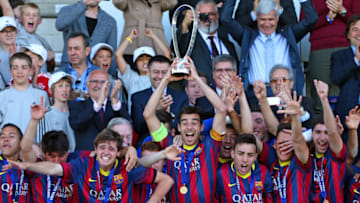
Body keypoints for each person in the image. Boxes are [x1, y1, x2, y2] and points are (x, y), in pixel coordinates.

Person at [7, 128, 174, 203]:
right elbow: (53, 168)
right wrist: (26, 166)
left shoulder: (126, 167)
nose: (106, 152)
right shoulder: (83, 165)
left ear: (118, 152)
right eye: (102, 147)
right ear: (94, 150)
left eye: (111, 148)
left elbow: (166, 180)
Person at [142, 56, 227, 202]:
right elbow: (148, 114)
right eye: (185, 123)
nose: (189, 127)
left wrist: (196, 78)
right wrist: (166, 79)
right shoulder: (169, 145)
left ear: (201, 127)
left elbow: (221, 109)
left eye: (194, 123)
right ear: (179, 127)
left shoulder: (210, 145)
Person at [221, 0, 318, 102]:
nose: (267, 24)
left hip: (285, 93)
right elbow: (226, 19)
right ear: (256, 18)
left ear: (277, 18)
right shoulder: (247, 36)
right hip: (254, 94)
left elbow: (312, 19)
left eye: (270, 19)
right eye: (263, 19)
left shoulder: (289, 34)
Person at [255, 91, 312, 202]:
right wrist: (261, 100)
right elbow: (248, 135)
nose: (284, 148)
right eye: (281, 144)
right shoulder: (272, 159)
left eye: (288, 144)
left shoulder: (301, 162)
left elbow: (299, 140)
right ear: (275, 144)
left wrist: (295, 117)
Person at [306, 0, 360, 114]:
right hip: (320, 48)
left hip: (347, 47)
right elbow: (305, 23)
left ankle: (347, 129)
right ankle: (321, 130)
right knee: (320, 98)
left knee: (348, 96)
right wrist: (327, 17)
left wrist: (342, 11)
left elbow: (358, 21)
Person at [131, 55, 188, 146]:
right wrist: (157, 110)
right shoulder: (138, 97)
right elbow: (139, 128)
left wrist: (169, 117)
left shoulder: (181, 97)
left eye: (164, 72)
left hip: (174, 144)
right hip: (148, 145)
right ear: (149, 72)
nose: (160, 76)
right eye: (156, 72)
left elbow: (185, 125)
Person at [176, 0, 237, 84]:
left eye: (211, 14)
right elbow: (178, 48)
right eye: (202, 15)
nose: (207, 18)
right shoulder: (190, 42)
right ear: (196, 16)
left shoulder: (229, 45)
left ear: (218, 16)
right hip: (201, 94)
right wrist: (184, 25)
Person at [69, 69, 130, 150]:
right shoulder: (76, 106)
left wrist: (114, 100)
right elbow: (77, 124)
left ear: (109, 85)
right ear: (87, 85)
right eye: (95, 81)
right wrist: (98, 104)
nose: (99, 85)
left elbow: (128, 124)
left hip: (112, 156)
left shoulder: (116, 107)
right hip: (86, 157)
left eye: (103, 82)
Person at [115, 28, 171, 112]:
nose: (145, 62)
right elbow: (118, 54)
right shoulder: (130, 77)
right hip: (135, 120)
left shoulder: (159, 76)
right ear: (135, 63)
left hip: (157, 117)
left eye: (148, 59)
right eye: (140, 59)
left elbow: (167, 54)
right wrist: (130, 37)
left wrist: (154, 36)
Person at [56, 0, 117, 75]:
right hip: (69, 69)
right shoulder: (68, 10)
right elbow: (59, 25)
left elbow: (112, 53)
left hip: (96, 74)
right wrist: (84, 4)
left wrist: (112, 78)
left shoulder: (109, 21)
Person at [309, 80, 347, 202]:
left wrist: (324, 100)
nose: (322, 138)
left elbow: (332, 132)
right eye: (318, 132)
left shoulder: (335, 156)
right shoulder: (306, 158)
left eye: (326, 133)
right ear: (311, 134)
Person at [0, 52, 49, 133]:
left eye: (24, 67)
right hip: (8, 144)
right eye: (15, 68)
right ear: (10, 71)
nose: (20, 71)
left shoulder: (41, 95)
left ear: (30, 71)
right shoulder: (2, 96)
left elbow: (47, 125)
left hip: (34, 144)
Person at [216, 134, 273, 202]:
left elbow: (269, 199)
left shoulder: (263, 171)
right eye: (240, 154)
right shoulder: (221, 174)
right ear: (232, 154)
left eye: (250, 155)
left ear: (255, 156)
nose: (245, 159)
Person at [0, 0, 55, 72]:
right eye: (27, 15)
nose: (31, 17)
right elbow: (7, 10)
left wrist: (51, 60)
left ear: (40, 21)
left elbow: (51, 65)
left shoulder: (42, 41)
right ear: (20, 19)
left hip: (39, 79)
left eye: (34, 15)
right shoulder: (18, 30)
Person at [331, 14, 360, 143]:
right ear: (348, 35)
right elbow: (336, 78)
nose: (359, 33)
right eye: (355, 29)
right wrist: (356, 60)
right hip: (347, 116)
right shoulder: (339, 56)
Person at [35, 71, 76, 152]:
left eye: (67, 86)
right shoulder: (45, 114)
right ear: (51, 90)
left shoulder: (76, 112)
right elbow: (41, 143)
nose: (64, 90)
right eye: (60, 86)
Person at [56, 32, 100, 100]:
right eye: (70, 49)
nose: (72, 53)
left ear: (87, 51)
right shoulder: (57, 75)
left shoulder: (100, 74)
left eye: (77, 48)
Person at [0, 123, 31, 202]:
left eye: (11, 136)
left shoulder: (28, 167)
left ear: (21, 142)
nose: (5, 139)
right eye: (2, 137)